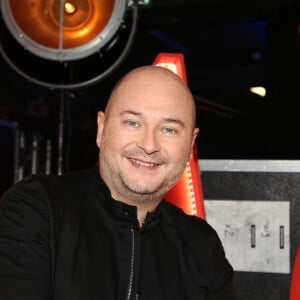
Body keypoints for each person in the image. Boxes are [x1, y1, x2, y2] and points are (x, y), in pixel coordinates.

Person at [0, 65, 233, 299]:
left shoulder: (202, 245)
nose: (149, 145)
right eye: (133, 123)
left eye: (169, 129)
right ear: (102, 129)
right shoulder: (38, 209)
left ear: (190, 144)